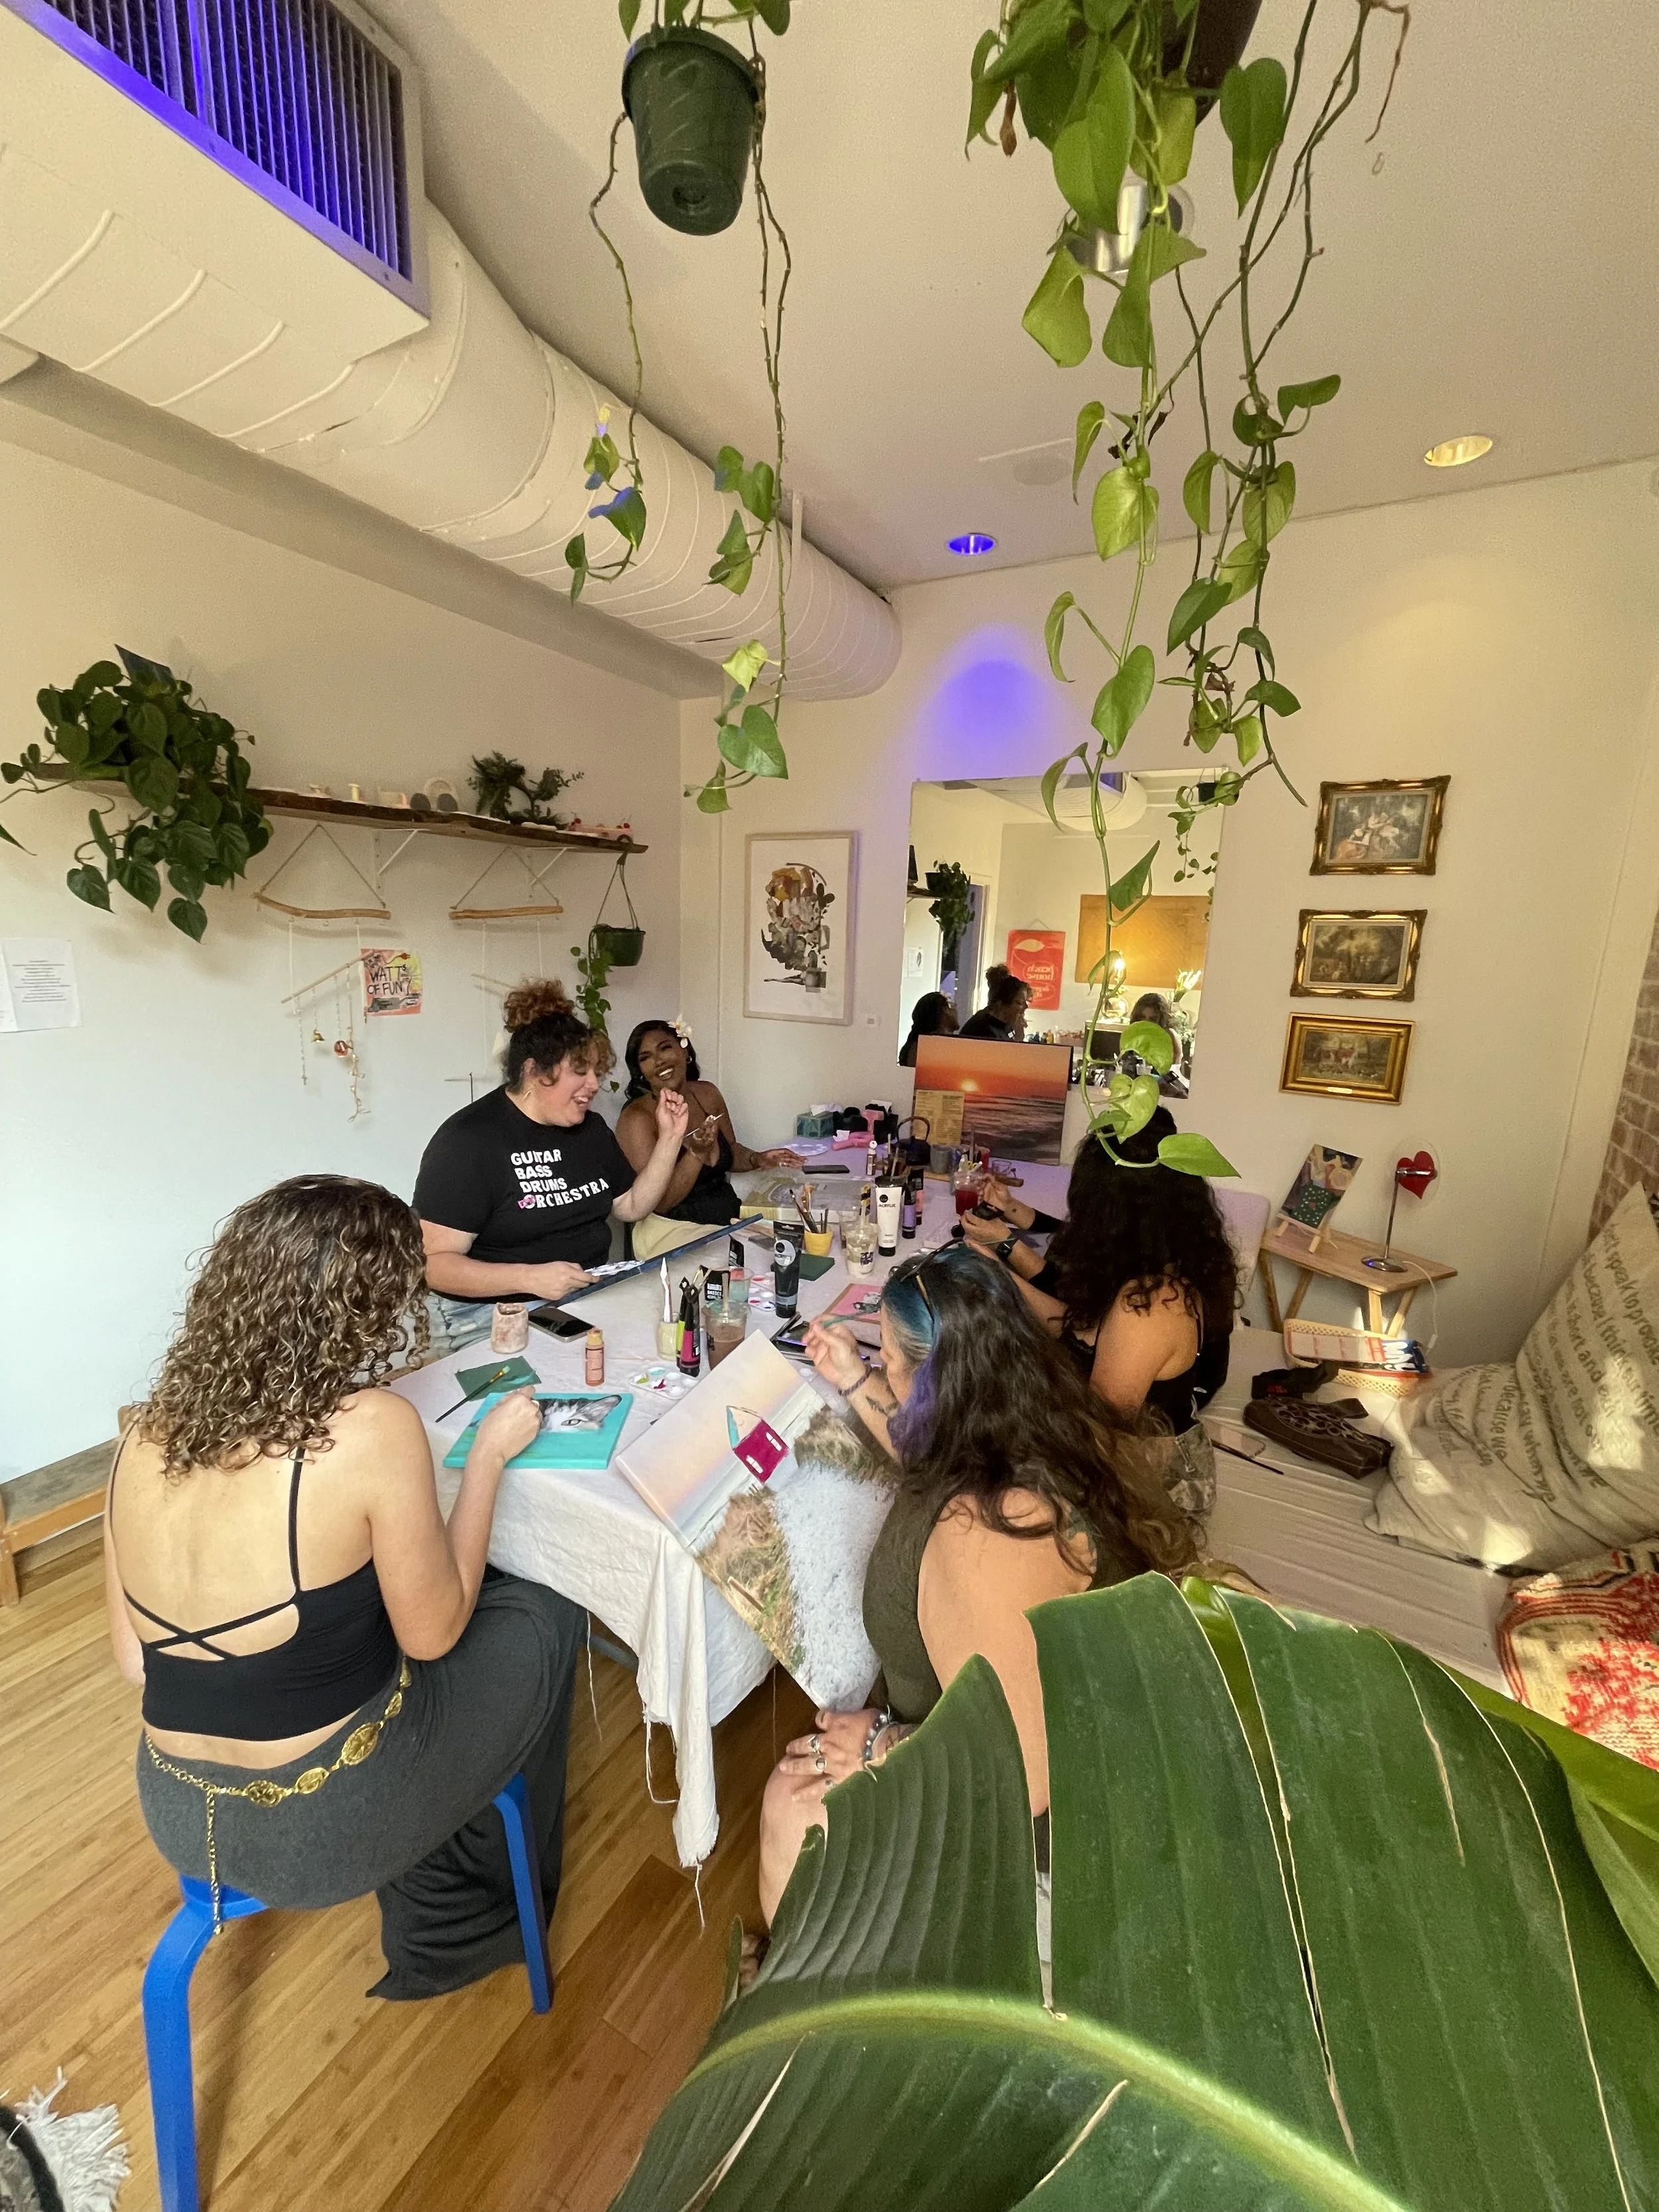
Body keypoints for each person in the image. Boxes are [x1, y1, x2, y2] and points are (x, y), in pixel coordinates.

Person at [108, 1175, 583, 2000]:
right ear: (364, 1310)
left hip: (182, 1813)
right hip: (323, 1820)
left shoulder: (144, 1433)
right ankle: (464, 1921)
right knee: (548, 1607)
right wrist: (490, 1462)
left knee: (375, 1624)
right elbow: (433, 1637)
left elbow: (136, 1663)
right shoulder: (369, 1427)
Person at [756, 1245, 1197, 1925]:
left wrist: (881, 1748)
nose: (887, 1378)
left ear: (934, 1383)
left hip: (1042, 1832)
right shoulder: (1024, 1425)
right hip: (1089, 1748)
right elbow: (924, 1442)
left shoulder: (986, 1530)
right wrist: (852, 1377)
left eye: (893, 1367)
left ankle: (803, 2015)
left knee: (792, 1801)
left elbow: (1018, 1776)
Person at [413, 980, 689, 1346]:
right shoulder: (469, 1141)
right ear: (534, 1072)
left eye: (595, 1072)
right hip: (485, 1316)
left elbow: (633, 1206)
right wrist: (529, 1278)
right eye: (580, 1071)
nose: (593, 1085)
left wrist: (670, 1139)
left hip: (577, 1300)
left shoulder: (589, 1129)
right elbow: (434, 1265)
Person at [964, 1108, 1237, 1437]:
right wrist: (1001, 1277)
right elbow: (1078, 1327)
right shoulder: (1153, 1258)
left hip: (1122, 1469)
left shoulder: (1152, 1304)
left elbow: (1100, 1437)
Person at [614, 1020, 802, 1259]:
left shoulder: (708, 1093)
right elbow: (659, 1203)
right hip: (669, 1231)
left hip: (727, 1221)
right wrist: (697, 1154)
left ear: (684, 1050)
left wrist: (758, 1159)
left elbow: (731, 1150)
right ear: (641, 1070)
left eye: (665, 1048)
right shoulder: (636, 1119)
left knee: (792, 1248)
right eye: (646, 1057)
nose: (659, 1061)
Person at [957, 963, 1031, 1043]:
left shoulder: (1007, 1023)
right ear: (1001, 1005)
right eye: (1019, 1003)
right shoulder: (985, 1030)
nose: (1026, 1007)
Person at [898, 990, 959, 1068]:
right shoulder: (927, 1048)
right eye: (954, 1006)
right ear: (945, 1010)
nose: (956, 1012)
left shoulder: (921, 1046)